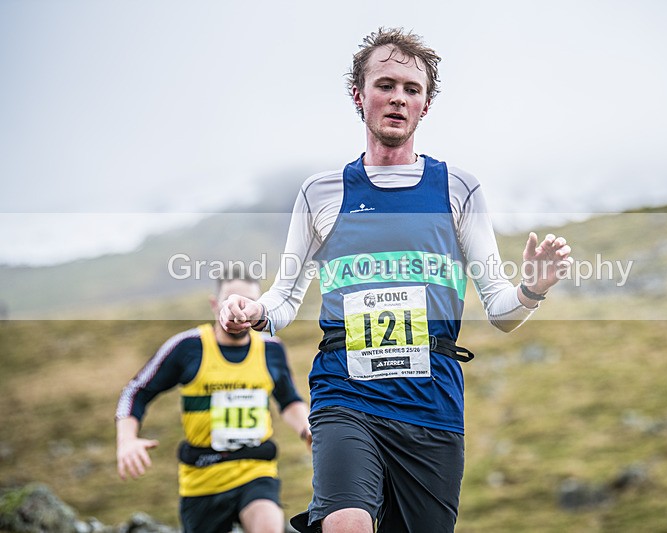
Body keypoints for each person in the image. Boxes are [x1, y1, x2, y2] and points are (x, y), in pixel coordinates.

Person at [218, 27, 573, 533]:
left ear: (425, 106)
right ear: (359, 96)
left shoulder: (458, 189)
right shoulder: (321, 193)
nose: (399, 99)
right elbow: (284, 300)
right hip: (347, 393)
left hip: (432, 405)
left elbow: (500, 311)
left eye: (413, 90)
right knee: (347, 523)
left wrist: (532, 289)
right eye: (386, 84)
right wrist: (254, 312)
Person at [116, 268, 312, 533]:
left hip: (256, 470)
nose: (238, 310)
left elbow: (288, 400)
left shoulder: (271, 349)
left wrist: (307, 430)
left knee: (268, 524)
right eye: (230, 300)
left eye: (247, 302)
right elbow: (137, 391)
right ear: (214, 304)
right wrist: (127, 439)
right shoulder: (187, 347)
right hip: (202, 479)